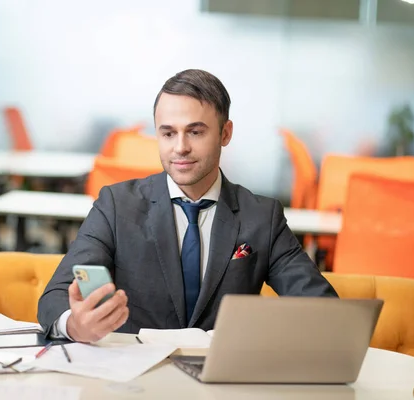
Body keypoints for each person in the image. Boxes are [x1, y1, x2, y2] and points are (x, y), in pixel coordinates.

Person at [37, 69, 338, 343]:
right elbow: (56, 296)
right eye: (168, 133)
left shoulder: (261, 216)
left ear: (225, 133)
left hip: (219, 380)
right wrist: (77, 325)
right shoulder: (117, 205)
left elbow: (322, 308)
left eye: (195, 132)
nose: (180, 147)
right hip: (133, 380)